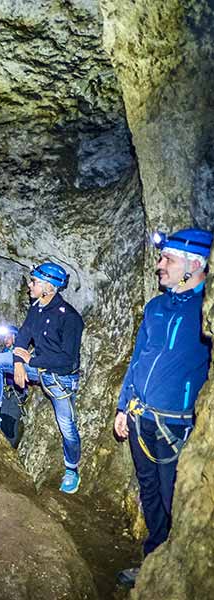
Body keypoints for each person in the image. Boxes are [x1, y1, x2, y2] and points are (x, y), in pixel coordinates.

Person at [112, 229, 212, 588]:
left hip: (178, 425)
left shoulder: (205, 311)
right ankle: (153, 559)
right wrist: (123, 407)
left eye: (167, 259)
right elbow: (138, 359)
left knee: (174, 498)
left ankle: (177, 569)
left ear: (194, 265)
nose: (159, 265)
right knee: (150, 490)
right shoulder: (156, 307)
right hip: (141, 417)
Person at [0, 262, 84, 494]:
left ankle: (72, 470)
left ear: (48, 287)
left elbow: (67, 360)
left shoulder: (70, 318)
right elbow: (23, 337)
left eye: (34, 281)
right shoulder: (36, 308)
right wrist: (17, 363)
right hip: (36, 367)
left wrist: (29, 362)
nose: (29, 285)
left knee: (67, 427)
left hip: (61, 380)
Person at [0, 324, 28, 447]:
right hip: (6, 392)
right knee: (3, 418)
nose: (5, 340)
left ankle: (10, 447)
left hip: (17, 393)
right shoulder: (4, 352)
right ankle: (4, 446)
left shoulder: (20, 353)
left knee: (11, 420)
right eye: (4, 338)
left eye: (8, 337)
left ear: (15, 337)